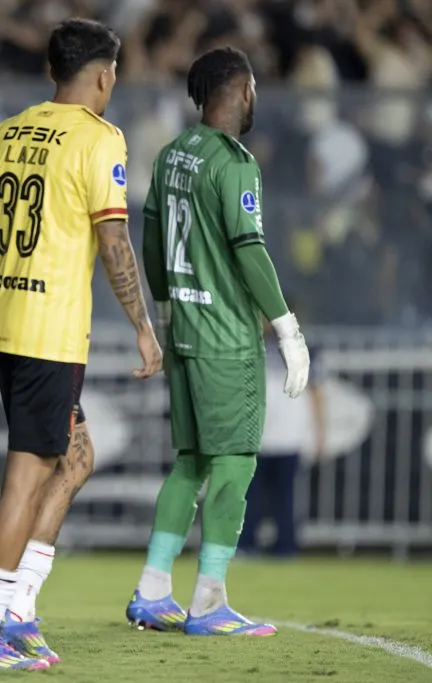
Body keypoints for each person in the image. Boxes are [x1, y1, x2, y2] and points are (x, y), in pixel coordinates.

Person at [0, 18, 162, 670]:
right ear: (105, 76)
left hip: (7, 324)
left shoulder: (8, 131)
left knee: (75, 457)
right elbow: (114, 240)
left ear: (52, 70)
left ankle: (18, 608)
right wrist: (142, 324)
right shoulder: (101, 139)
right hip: (49, 334)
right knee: (25, 480)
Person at [128, 46, 310, 637]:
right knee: (234, 462)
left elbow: (151, 238)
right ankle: (208, 601)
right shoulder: (235, 164)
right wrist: (286, 327)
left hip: (183, 332)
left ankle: (152, 590)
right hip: (226, 337)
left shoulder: (172, 154)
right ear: (244, 90)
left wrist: (164, 311)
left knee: (191, 463)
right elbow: (248, 249)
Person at [240, 308, 326, 557]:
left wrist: (319, 432)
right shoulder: (249, 344)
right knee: (249, 496)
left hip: (290, 435)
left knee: (286, 497)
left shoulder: (304, 348)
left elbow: (316, 392)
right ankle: (246, 544)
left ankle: (286, 547)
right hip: (256, 435)